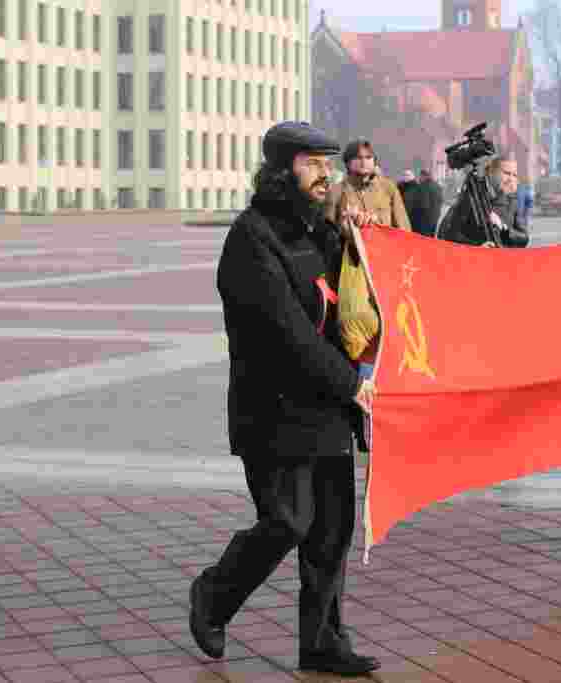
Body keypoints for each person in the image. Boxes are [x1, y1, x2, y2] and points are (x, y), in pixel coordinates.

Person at [190, 121, 380, 677]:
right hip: (273, 410)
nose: (327, 174)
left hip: (326, 408)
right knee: (288, 522)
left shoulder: (316, 229)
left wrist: (356, 240)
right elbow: (286, 332)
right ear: (281, 171)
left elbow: (348, 299)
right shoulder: (252, 238)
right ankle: (213, 594)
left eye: (329, 163)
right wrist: (351, 384)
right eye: (312, 164)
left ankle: (322, 641)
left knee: (331, 531)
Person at [439, 155, 529, 248]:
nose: (511, 179)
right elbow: (450, 235)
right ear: (491, 173)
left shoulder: (512, 201)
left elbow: (524, 239)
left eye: (514, 175)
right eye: (506, 173)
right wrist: (478, 247)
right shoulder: (472, 196)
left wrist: (503, 227)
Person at [324, 138, 412, 231]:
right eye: (358, 157)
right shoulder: (336, 191)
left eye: (368, 157)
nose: (364, 162)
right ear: (348, 162)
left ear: (374, 161)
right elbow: (327, 232)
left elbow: (404, 229)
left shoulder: (388, 188)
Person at [407, 168, 444, 237]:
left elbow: (423, 205)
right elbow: (441, 201)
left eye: (420, 176)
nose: (419, 179)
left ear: (423, 176)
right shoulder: (438, 187)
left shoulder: (422, 187)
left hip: (423, 222)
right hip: (434, 220)